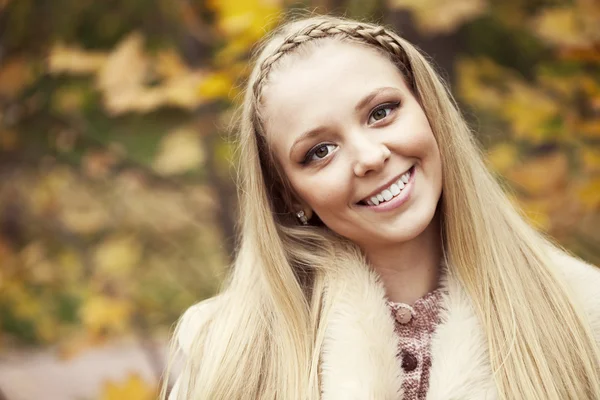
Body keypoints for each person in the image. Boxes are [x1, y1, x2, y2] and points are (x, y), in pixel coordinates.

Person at [163, 15, 600, 400]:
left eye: (381, 112)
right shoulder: (222, 350)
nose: (370, 157)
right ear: (290, 194)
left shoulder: (583, 311)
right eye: (320, 151)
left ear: (430, 111)